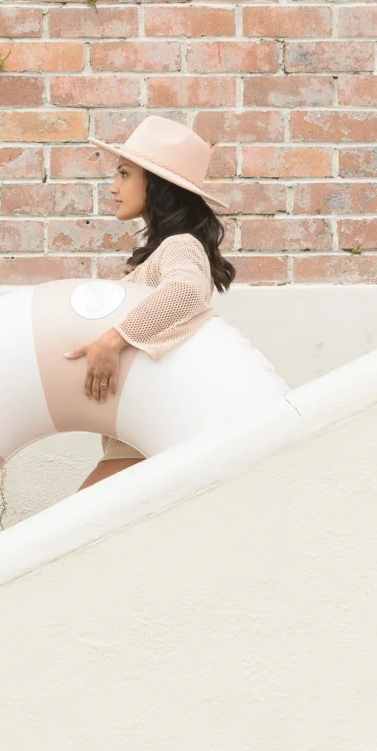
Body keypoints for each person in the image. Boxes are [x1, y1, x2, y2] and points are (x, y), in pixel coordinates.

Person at [63, 115, 235, 491]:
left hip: (150, 437)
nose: (112, 187)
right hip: (133, 437)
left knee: (80, 518)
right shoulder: (162, 252)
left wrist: (113, 339)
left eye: (124, 174)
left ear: (156, 186)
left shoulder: (181, 245)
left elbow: (185, 292)